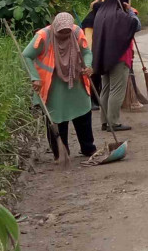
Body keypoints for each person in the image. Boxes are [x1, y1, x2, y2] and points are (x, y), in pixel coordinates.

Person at [22, 12, 97, 159]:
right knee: (56, 119)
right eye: (61, 31)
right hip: (53, 84)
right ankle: (61, 153)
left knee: (83, 115)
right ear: (54, 27)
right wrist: (34, 77)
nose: (64, 34)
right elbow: (26, 55)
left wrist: (88, 66)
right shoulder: (43, 35)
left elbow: (87, 52)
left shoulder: (76, 32)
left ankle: (88, 148)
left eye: (66, 31)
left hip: (75, 81)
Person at [92, 0, 140, 131]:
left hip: (103, 57)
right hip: (119, 57)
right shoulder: (119, 15)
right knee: (117, 90)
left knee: (106, 88)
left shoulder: (101, 13)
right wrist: (130, 11)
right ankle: (113, 122)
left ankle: (104, 121)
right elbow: (136, 25)